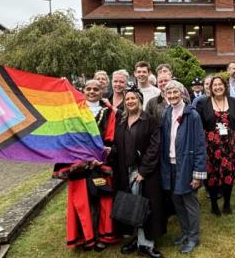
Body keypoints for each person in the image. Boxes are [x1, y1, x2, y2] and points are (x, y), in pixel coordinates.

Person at [54, 80, 117, 251]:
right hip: (78, 163)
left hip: (100, 163)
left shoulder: (109, 112)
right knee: (81, 203)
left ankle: (102, 236)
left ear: (102, 91)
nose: (92, 92)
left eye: (96, 89)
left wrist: (101, 156)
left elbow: (110, 138)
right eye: (88, 89)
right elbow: (67, 136)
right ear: (83, 90)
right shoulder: (72, 111)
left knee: (102, 200)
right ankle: (85, 237)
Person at [113, 85, 166, 258]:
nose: (130, 101)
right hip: (125, 170)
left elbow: (154, 147)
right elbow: (118, 147)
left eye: (133, 98)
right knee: (132, 206)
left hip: (145, 173)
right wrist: (108, 151)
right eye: (127, 99)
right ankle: (136, 239)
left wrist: (143, 171)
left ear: (140, 101)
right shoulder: (121, 122)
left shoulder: (149, 120)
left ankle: (146, 244)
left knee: (146, 207)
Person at [160, 80, 206, 254]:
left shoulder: (192, 115)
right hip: (170, 164)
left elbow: (200, 145)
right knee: (177, 200)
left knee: (189, 202)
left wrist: (197, 175)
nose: (172, 96)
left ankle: (194, 237)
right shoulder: (166, 113)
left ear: (182, 94)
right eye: (168, 93)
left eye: (175, 93)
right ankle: (185, 233)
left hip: (186, 165)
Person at [196, 75, 235, 216]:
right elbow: (199, 125)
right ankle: (213, 204)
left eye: (220, 84)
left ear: (225, 86)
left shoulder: (234, 102)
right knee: (212, 175)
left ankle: (227, 203)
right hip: (211, 145)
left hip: (230, 144)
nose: (217, 87)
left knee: (228, 174)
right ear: (210, 88)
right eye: (214, 85)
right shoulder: (203, 103)